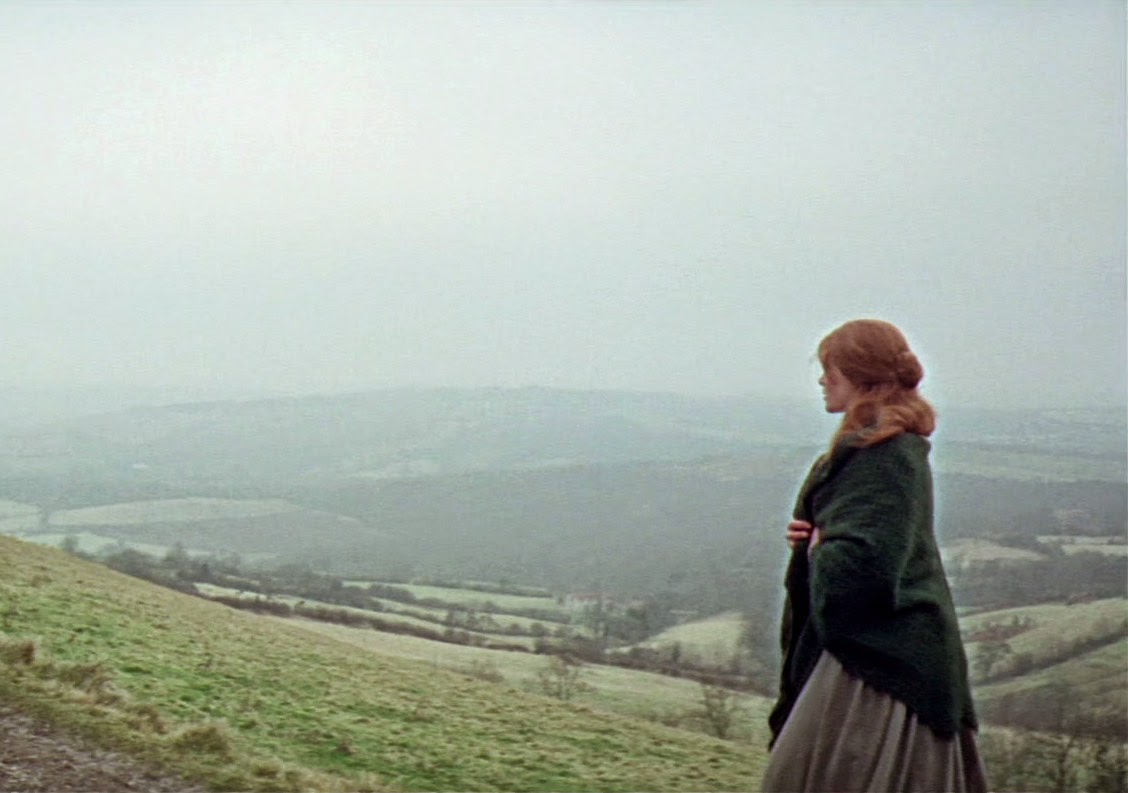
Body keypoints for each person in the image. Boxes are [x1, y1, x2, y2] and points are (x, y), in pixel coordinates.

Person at [761, 319, 987, 793]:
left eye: (833, 369)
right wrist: (814, 540)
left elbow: (864, 571)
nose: (823, 380)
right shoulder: (883, 448)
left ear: (863, 378)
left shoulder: (884, 454)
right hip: (876, 655)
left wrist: (822, 550)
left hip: (879, 668)